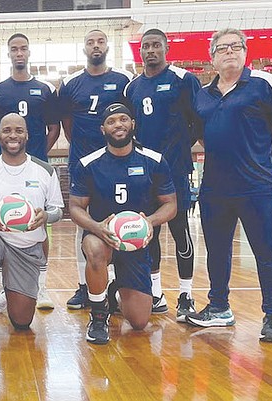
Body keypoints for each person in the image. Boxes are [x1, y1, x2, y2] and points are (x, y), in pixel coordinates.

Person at [186, 28, 272, 343]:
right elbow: (202, 135)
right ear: (212, 57)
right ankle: (219, 307)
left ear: (245, 52)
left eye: (235, 46)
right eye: (222, 48)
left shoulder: (263, 84)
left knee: (267, 252)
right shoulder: (203, 94)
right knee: (218, 252)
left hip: (257, 188)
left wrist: (267, 158)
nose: (229, 52)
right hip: (214, 189)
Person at [69, 103, 176, 344]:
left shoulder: (154, 161)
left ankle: (114, 288)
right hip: (102, 236)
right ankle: (98, 316)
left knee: (139, 322)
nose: (118, 124)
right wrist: (97, 227)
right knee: (95, 249)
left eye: (123, 119)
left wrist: (149, 221)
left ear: (133, 124)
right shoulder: (89, 164)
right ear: (103, 129)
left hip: (136, 243)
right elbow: (75, 207)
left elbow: (170, 204)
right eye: (111, 121)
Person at [0, 113, 64, 349]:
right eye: (6, 130)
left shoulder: (45, 171)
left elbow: (57, 210)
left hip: (26, 247)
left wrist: (46, 216)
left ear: (27, 135)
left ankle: (8, 291)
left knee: (22, 322)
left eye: (18, 130)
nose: (12, 135)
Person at [124, 28, 202, 320]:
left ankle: (186, 294)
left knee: (180, 231)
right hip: (144, 174)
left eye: (156, 45)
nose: (151, 51)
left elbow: (199, 121)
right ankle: (156, 293)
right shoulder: (132, 88)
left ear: (166, 48)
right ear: (140, 52)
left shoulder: (184, 80)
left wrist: (179, 149)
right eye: (146, 46)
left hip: (176, 170)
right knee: (149, 232)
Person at [58, 29, 133, 310]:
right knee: (85, 225)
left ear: (107, 47)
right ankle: (83, 286)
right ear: (84, 48)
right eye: (90, 42)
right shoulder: (71, 83)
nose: (96, 46)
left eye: (101, 41)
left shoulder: (123, 80)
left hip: (116, 163)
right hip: (83, 162)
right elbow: (66, 121)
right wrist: (81, 148)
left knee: (118, 220)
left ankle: (115, 284)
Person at [0, 33, 62, 310]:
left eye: (23, 49)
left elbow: (54, 128)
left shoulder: (44, 89)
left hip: (35, 166)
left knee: (40, 224)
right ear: (9, 54)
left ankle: (40, 288)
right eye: (14, 49)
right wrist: (2, 153)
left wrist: (39, 154)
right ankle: (1, 289)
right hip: (4, 166)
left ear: (29, 53)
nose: (19, 53)